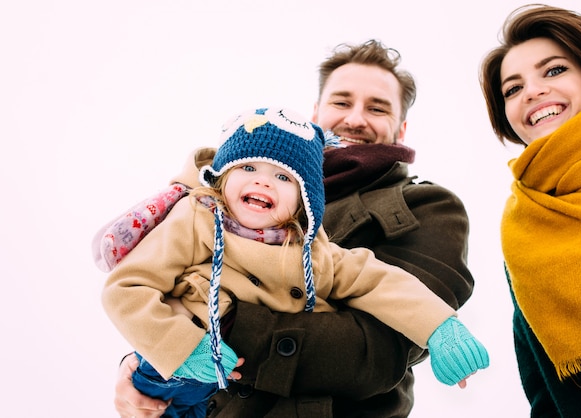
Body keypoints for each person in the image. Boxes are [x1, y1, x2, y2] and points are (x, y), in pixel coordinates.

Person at [99, 39, 478, 418]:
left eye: (377, 108)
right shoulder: (200, 214)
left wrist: (439, 325)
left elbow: (376, 346)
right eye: (342, 102)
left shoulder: (423, 207)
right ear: (316, 113)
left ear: (402, 126)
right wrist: (155, 351)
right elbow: (135, 288)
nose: (356, 119)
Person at [480, 5, 581, 417]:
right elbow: (541, 384)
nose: (532, 91)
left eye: (555, 70)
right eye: (512, 89)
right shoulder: (525, 220)